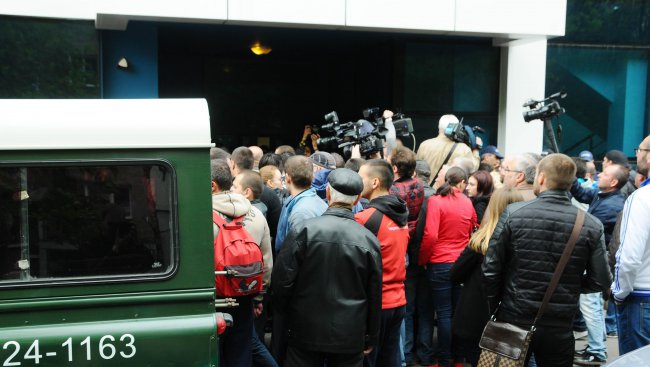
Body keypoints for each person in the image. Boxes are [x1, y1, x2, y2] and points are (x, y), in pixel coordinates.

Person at [483, 154, 611, 367]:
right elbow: (601, 280)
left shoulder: (514, 213)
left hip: (514, 316)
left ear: (541, 178)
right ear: (571, 182)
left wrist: (497, 304)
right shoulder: (590, 223)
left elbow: (490, 268)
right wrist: (570, 287)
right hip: (559, 323)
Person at [272, 168, 383, 367]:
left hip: (305, 326)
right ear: (357, 199)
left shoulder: (304, 230)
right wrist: (371, 334)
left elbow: (282, 282)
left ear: (328, 194)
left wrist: (285, 318)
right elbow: (374, 294)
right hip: (349, 331)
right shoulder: (369, 240)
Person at [451, 188, 524, 367]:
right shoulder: (525, 241)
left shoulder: (482, 241)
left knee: (478, 357)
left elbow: (455, 273)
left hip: (476, 315)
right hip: (512, 316)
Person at [211, 159, 273, 367]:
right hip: (245, 295)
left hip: (213, 299)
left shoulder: (200, 216)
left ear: (212, 185)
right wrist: (259, 297)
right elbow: (266, 262)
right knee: (241, 356)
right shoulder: (255, 214)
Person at [419, 167, 478, 367]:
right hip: (461, 263)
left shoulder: (435, 201)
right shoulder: (468, 202)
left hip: (439, 263)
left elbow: (431, 236)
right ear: (462, 183)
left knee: (443, 313)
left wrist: (422, 260)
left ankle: (444, 359)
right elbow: (473, 230)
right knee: (457, 313)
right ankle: (458, 358)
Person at [569, 164, 628, 365]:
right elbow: (581, 193)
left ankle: (597, 350)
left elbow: (589, 227)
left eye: (603, 174)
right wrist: (569, 176)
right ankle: (597, 345)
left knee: (590, 305)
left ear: (613, 182)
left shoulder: (613, 205)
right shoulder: (601, 195)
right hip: (593, 258)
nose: (598, 175)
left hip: (595, 260)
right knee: (591, 305)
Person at [272, 155, 328, 363]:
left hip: (299, 290)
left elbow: (294, 258)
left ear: (287, 179)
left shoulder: (302, 211)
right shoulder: (312, 203)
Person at [355, 160, 409, 367]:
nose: (358, 182)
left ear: (375, 182)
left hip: (377, 304)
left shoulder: (365, 218)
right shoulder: (400, 213)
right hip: (398, 301)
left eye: (361, 178)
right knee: (391, 359)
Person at [611, 135, 650, 355]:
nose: (637, 155)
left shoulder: (642, 198)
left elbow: (629, 257)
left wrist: (619, 292)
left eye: (640, 150)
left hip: (641, 301)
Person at [416, 114, 478, 186]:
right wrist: (476, 150)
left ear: (439, 128)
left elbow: (417, 169)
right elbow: (473, 169)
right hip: (447, 193)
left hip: (425, 192)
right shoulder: (463, 149)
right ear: (456, 128)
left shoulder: (424, 145)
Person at [388, 146, 425, 237]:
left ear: (394, 169)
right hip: (412, 231)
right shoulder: (419, 185)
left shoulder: (392, 190)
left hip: (396, 234)